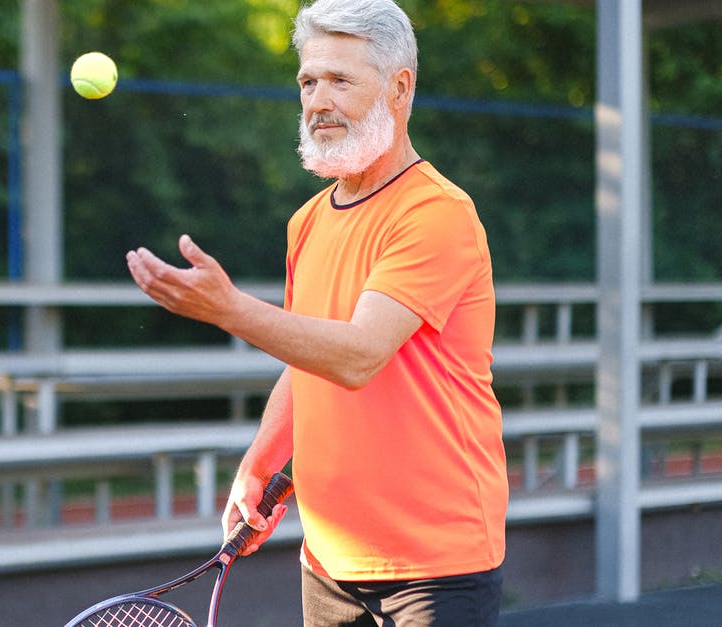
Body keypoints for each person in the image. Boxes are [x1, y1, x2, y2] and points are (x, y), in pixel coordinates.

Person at [125, 0, 508, 625]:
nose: (318, 100)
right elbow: (312, 357)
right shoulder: (307, 221)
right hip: (328, 561)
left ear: (399, 87)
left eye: (340, 80)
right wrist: (262, 459)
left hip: (435, 565)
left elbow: (357, 355)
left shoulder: (436, 214)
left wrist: (229, 311)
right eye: (308, 80)